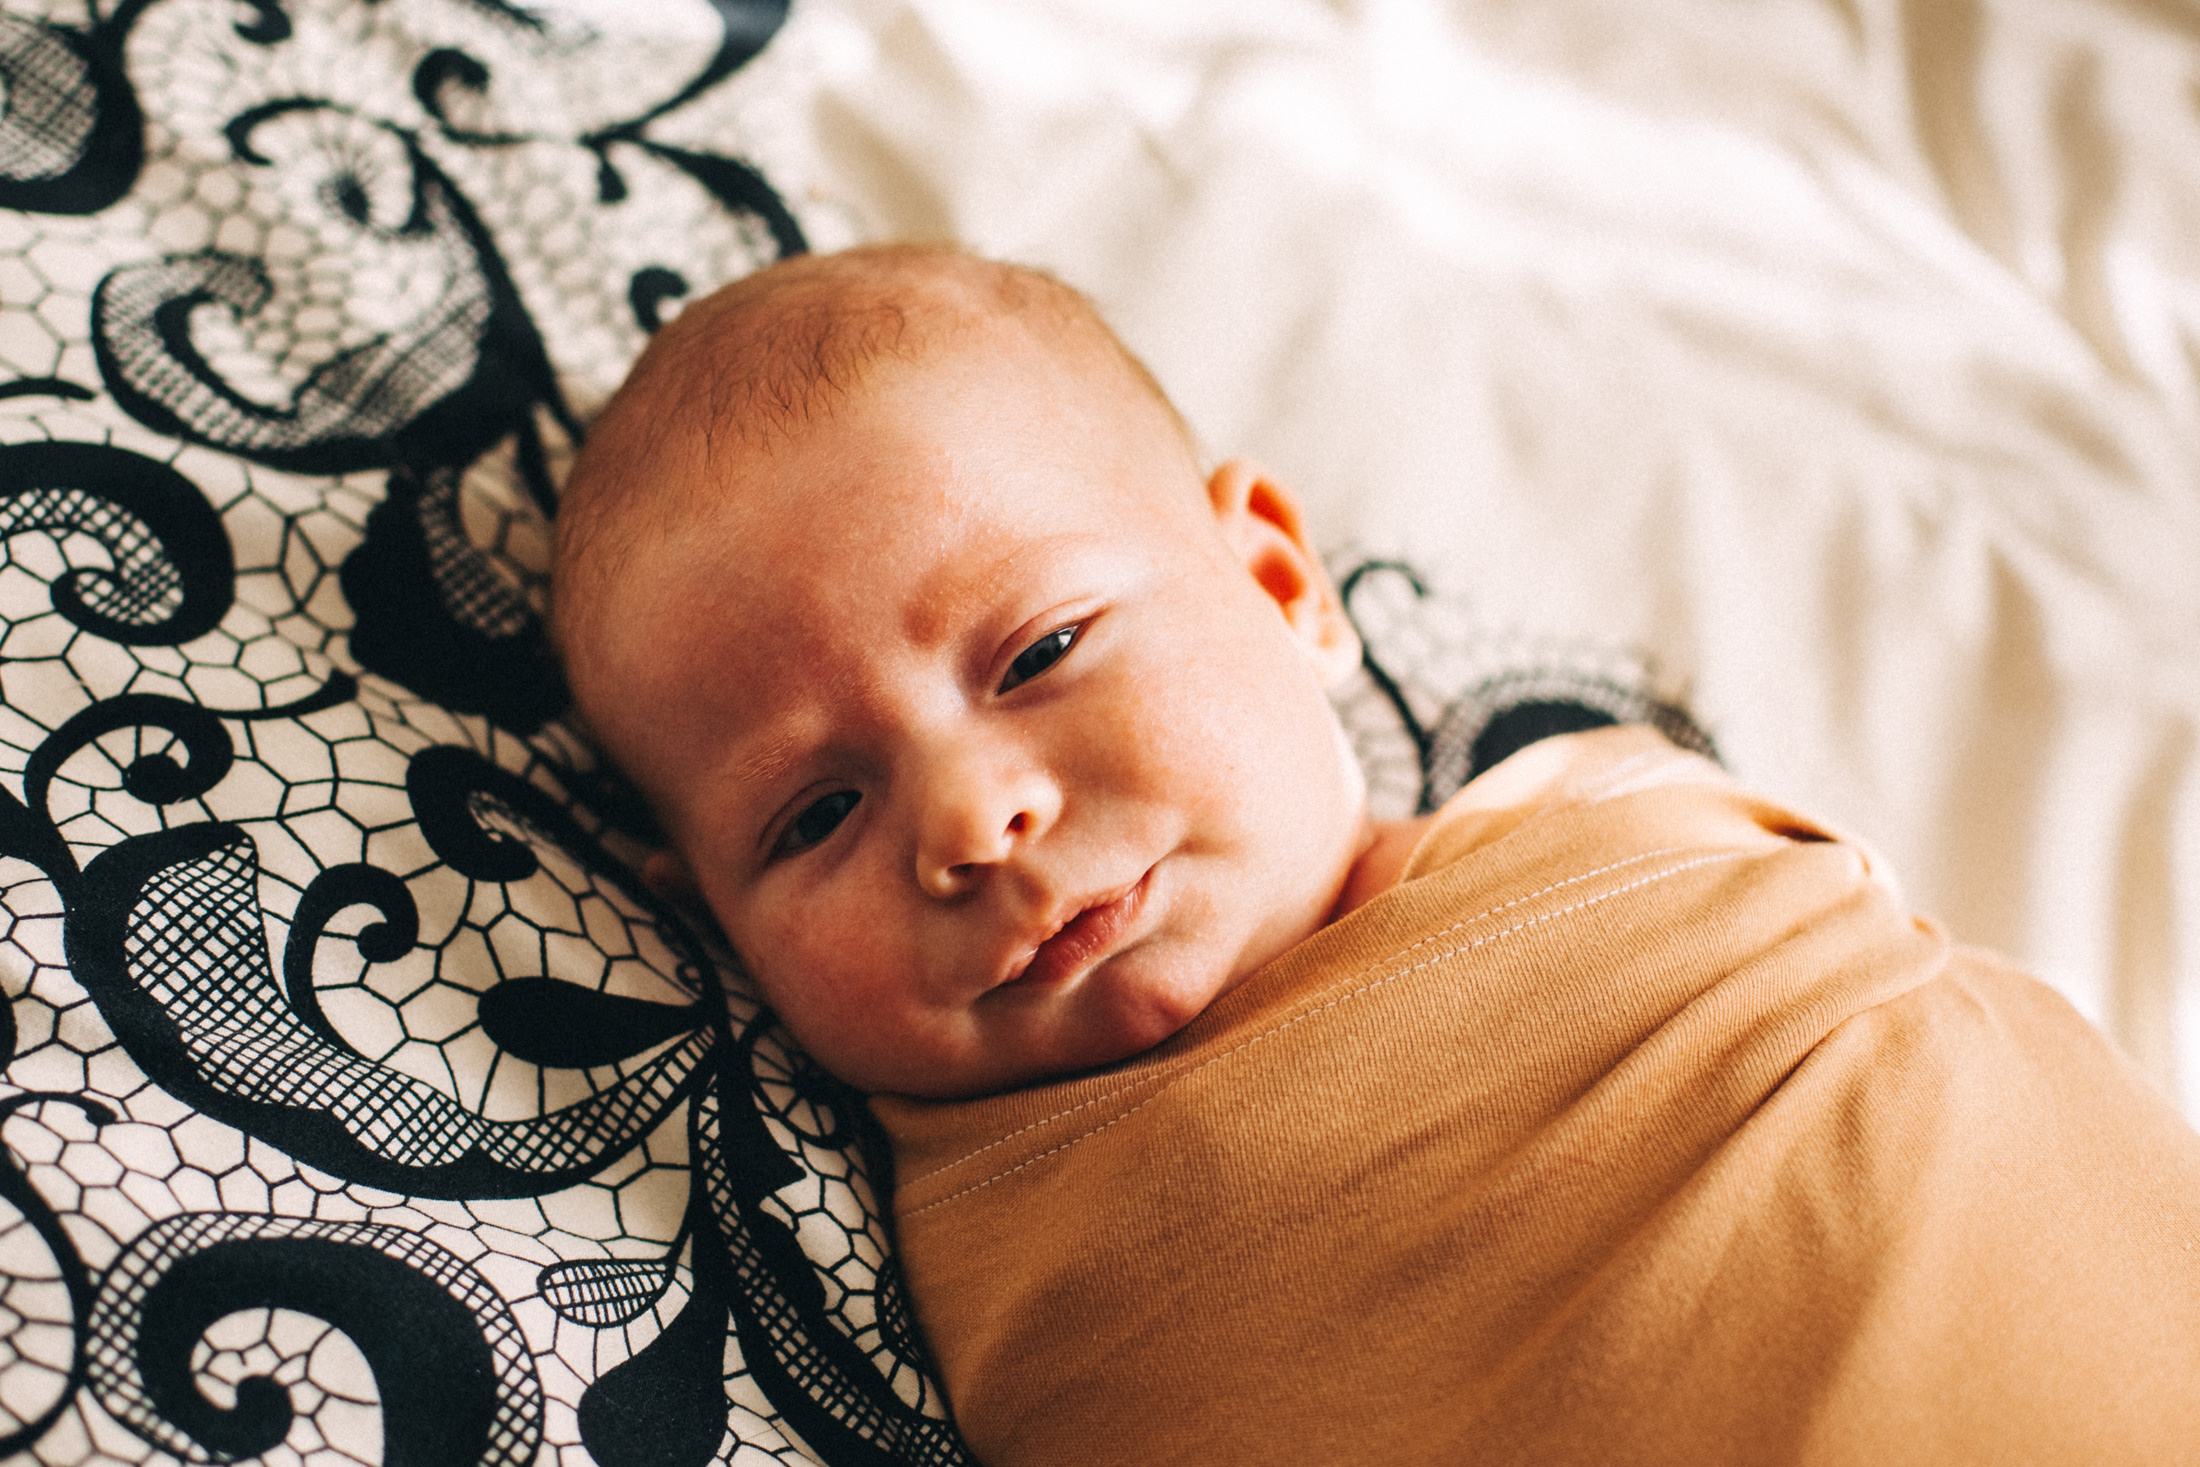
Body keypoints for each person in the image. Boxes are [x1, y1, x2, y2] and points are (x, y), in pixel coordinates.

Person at [552, 243, 2200, 1466]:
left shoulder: (1618, 822)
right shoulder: (919, 1238)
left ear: (1278, 582)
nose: (978, 822)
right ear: (705, 918)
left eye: (1041, 651)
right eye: (815, 814)